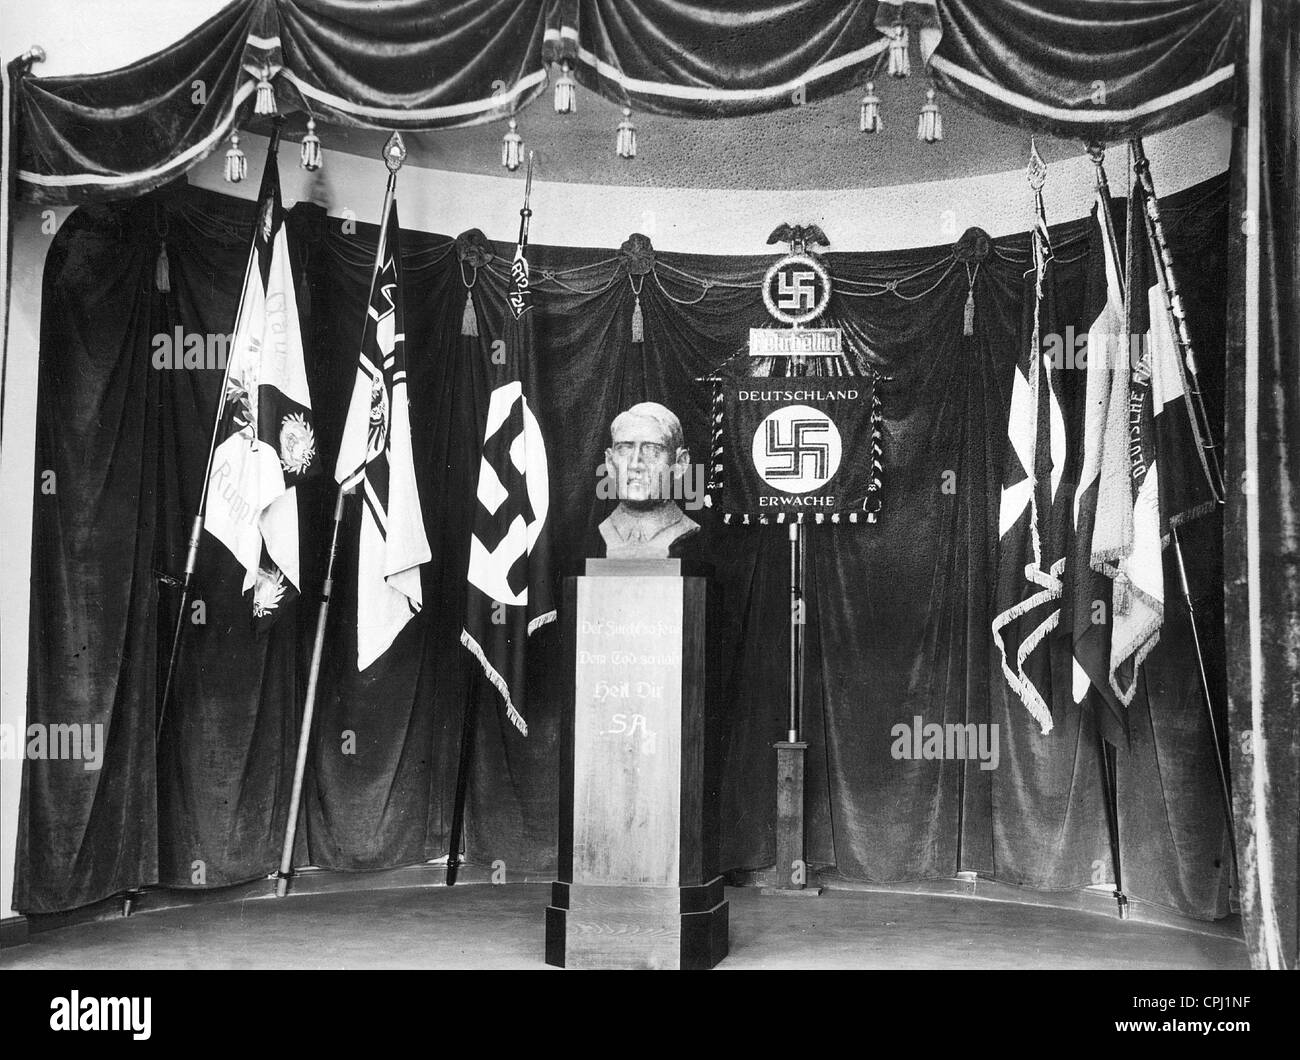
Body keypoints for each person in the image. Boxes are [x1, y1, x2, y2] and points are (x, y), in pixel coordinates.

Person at [596, 401, 701, 559]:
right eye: (624, 449)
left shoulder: (688, 530)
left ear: (680, 463)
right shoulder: (600, 531)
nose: (635, 464)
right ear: (610, 463)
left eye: (652, 450)